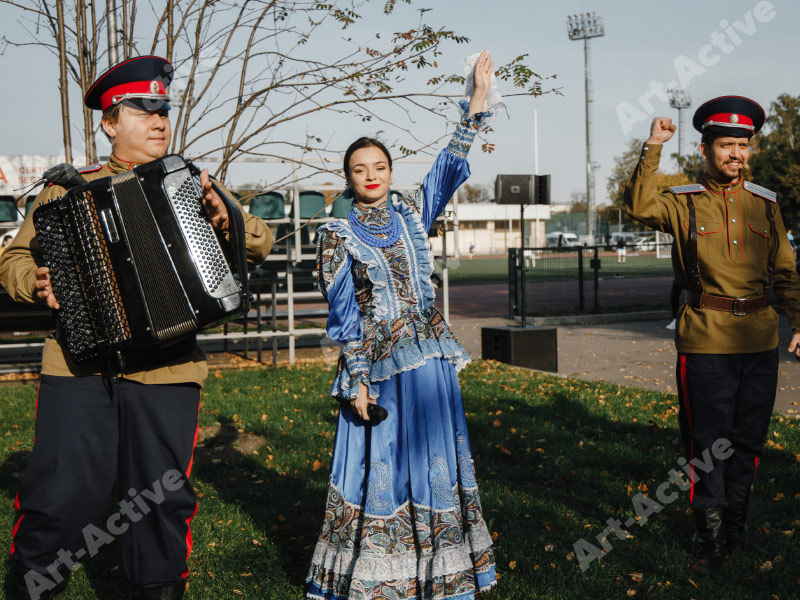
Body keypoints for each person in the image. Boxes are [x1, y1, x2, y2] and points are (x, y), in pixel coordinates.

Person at [0, 56, 272, 599]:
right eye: (143, 109)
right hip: (79, 369)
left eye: (163, 109)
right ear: (110, 123)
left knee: (158, 500)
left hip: (167, 370)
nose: (158, 121)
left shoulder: (193, 184)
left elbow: (260, 242)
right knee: (59, 498)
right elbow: (12, 260)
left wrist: (225, 217)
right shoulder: (66, 191)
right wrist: (38, 281)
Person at [306, 51, 498, 599]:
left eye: (379, 168)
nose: (371, 177)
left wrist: (477, 100)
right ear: (348, 178)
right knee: (384, 466)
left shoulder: (413, 211)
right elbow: (343, 317)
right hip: (383, 367)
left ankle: (442, 571)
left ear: (390, 172)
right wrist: (358, 380)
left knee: (436, 461)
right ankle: (381, 575)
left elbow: (448, 166)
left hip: (432, 362)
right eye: (360, 170)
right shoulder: (336, 235)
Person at [625, 96, 800, 575]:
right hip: (706, 341)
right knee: (708, 445)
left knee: (749, 440)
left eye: (742, 146)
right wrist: (653, 147)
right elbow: (638, 204)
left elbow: (785, 270)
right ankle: (713, 539)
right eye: (726, 145)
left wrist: (798, 321)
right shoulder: (683, 202)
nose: (736, 154)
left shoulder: (765, 205)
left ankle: (735, 530)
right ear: (705, 150)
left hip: (761, 341)